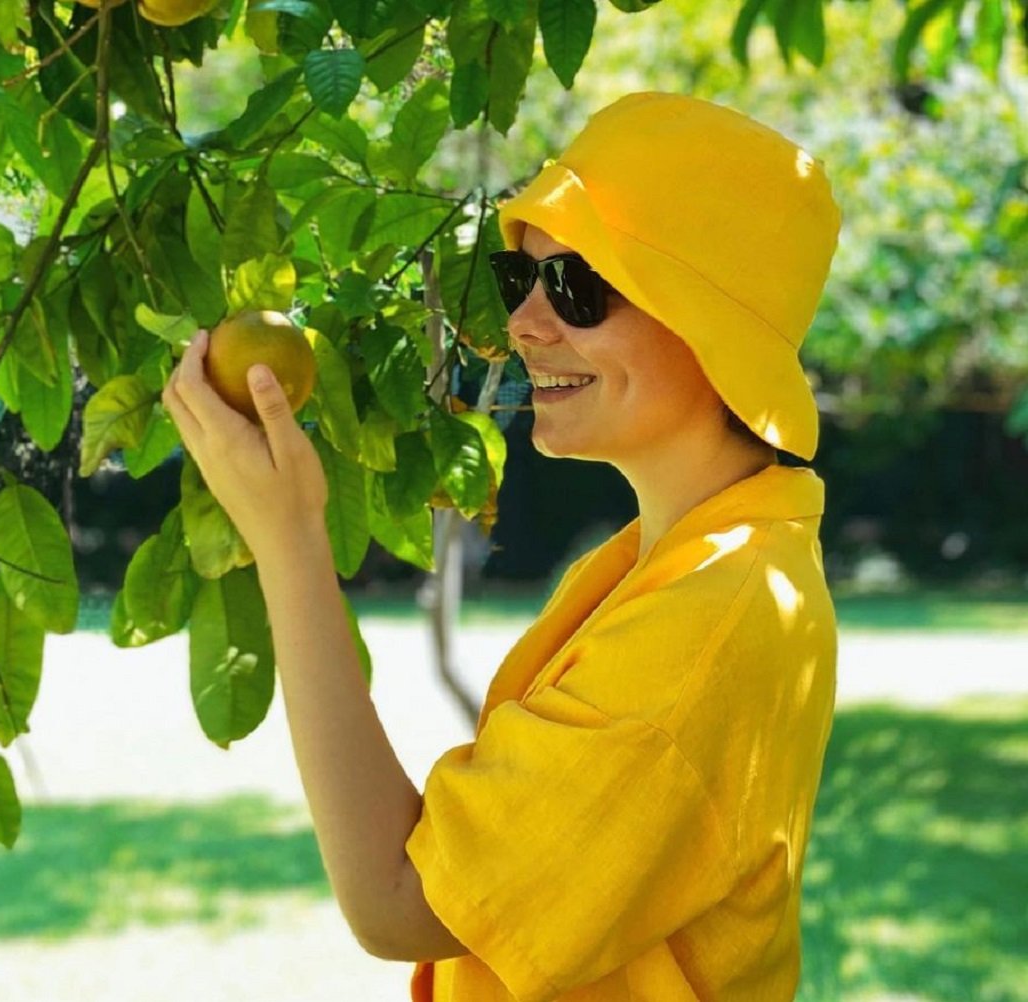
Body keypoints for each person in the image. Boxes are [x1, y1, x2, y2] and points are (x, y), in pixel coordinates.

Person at [162, 91, 841, 1001]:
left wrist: (287, 539)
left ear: (709, 321)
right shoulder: (695, 557)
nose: (523, 325)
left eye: (577, 288)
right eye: (522, 279)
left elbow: (399, 902)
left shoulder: (704, 622)